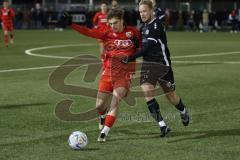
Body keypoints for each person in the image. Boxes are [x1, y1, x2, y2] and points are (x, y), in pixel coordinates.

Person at [71, 8, 140, 142]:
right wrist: (72, 24)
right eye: (110, 24)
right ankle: (102, 116)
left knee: (115, 101)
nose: (112, 26)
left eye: (115, 23)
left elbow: (142, 49)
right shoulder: (106, 32)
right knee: (99, 106)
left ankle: (104, 133)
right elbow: (89, 32)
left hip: (124, 75)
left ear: (122, 21)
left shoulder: (133, 32)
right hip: (107, 73)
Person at [123, 0, 189, 137]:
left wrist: (130, 58)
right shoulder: (144, 26)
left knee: (171, 96)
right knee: (147, 93)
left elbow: (147, 48)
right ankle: (163, 126)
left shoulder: (156, 26)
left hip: (162, 65)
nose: (142, 14)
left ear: (152, 11)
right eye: (140, 12)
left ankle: (183, 110)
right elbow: (141, 44)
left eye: (144, 11)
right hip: (148, 65)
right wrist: (133, 41)